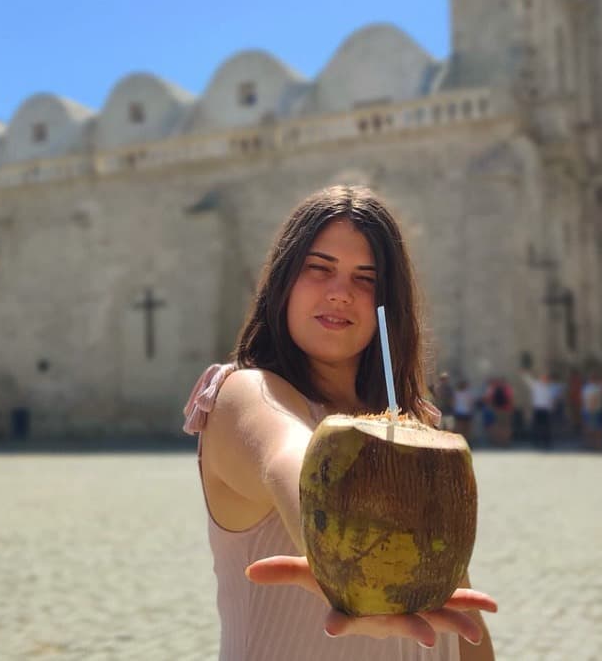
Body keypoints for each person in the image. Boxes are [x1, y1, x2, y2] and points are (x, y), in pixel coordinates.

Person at [182, 186, 496, 660]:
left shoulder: (416, 426)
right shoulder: (244, 394)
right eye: (319, 268)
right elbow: (290, 458)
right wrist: (346, 566)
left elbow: (461, 611)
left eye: (365, 279)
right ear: (284, 281)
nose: (340, 293)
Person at [520, 368, 556, 449]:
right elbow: (528, 381)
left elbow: (551, 399)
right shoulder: (536, 385)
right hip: (538, 409)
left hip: (546, 410)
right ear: (541, 378)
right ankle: (536, 442)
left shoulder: (549, 388)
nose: (545, 380)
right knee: (536, 426)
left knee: (546, 427)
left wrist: (551, 407)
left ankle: (546, 442)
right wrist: (524, 374)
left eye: (546, 378)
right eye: (543, 378)